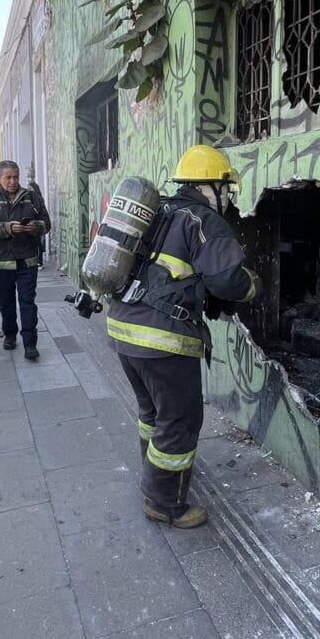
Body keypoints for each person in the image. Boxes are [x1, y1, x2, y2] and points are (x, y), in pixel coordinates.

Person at [107, 145, 261, 529]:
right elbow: (227, 280)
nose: (229, 199)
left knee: (153, 413)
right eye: (228, 190)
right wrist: (253, 288)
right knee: (180, 419)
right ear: (214, 186)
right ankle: (165, 503)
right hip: (163, 340)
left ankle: (153, 474)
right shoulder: (204, 219)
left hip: (125, 330)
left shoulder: (161, 212)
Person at [0, 160, 51, 360]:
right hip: (1, 261)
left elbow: (47, 222)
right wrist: (6, 228)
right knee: (6, 303)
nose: (12, 181)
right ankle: (9, 334)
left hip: (27, 260)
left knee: (28, 302)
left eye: (16, 177)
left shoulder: (31, 197)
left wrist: (36, 226)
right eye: (8, 177)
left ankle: (30, 344)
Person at [26, 169, 46, 268]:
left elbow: (41, 212)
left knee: (39, 243)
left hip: (38, 223)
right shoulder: (27, 198)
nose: (28, 190)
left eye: (30, 188)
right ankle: (37, 260)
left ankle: (39, 261)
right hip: (31, 223)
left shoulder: (38, 199)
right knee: (37, 243)